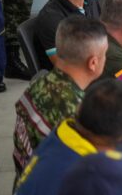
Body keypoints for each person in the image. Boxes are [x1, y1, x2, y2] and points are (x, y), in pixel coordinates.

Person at [13, 16, 108, 173]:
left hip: (28, 180)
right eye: (105, 54)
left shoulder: (39, 81)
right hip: (51, 192)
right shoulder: (77, 113)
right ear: (93, 63)